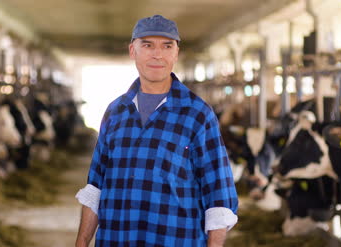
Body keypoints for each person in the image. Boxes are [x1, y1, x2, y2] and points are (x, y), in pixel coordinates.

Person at [75, 14, 238, 247]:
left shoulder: (198, 114)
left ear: (176, 53)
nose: (157, 54)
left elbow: (219, 197)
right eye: (148, 45)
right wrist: (81, 243)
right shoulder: (115, 112)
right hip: (117, 239)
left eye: (166, 46)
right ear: (133, 51)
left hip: (175, 240)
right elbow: (95, 190)